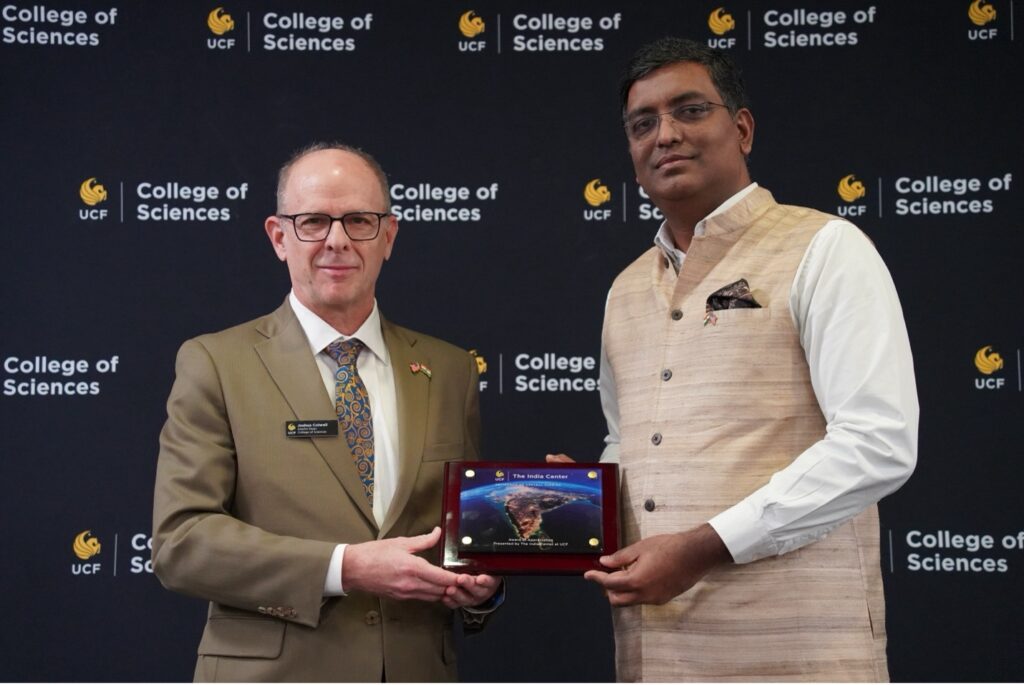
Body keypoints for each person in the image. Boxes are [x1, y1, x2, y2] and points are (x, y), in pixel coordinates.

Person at [548, 37, 918, 681]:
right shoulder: (627, 288)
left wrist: (704, 548)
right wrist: (589, 501)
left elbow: (878, 443)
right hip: (655, 652)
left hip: (796, 652)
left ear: (742, 128)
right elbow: (626, 439)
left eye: (690, 110)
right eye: (643, 124)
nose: (665, 135)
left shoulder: (825, 248)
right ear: (631, 155)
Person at [153, 142, 501, 682]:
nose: (337, 240)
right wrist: (347, 567)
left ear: (388, 237)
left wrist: (479, 583)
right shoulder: (215, 363)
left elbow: (459, 539)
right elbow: (182, 542)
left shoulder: (450, 370)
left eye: (359, 220)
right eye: (314, 221)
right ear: (278, 237)